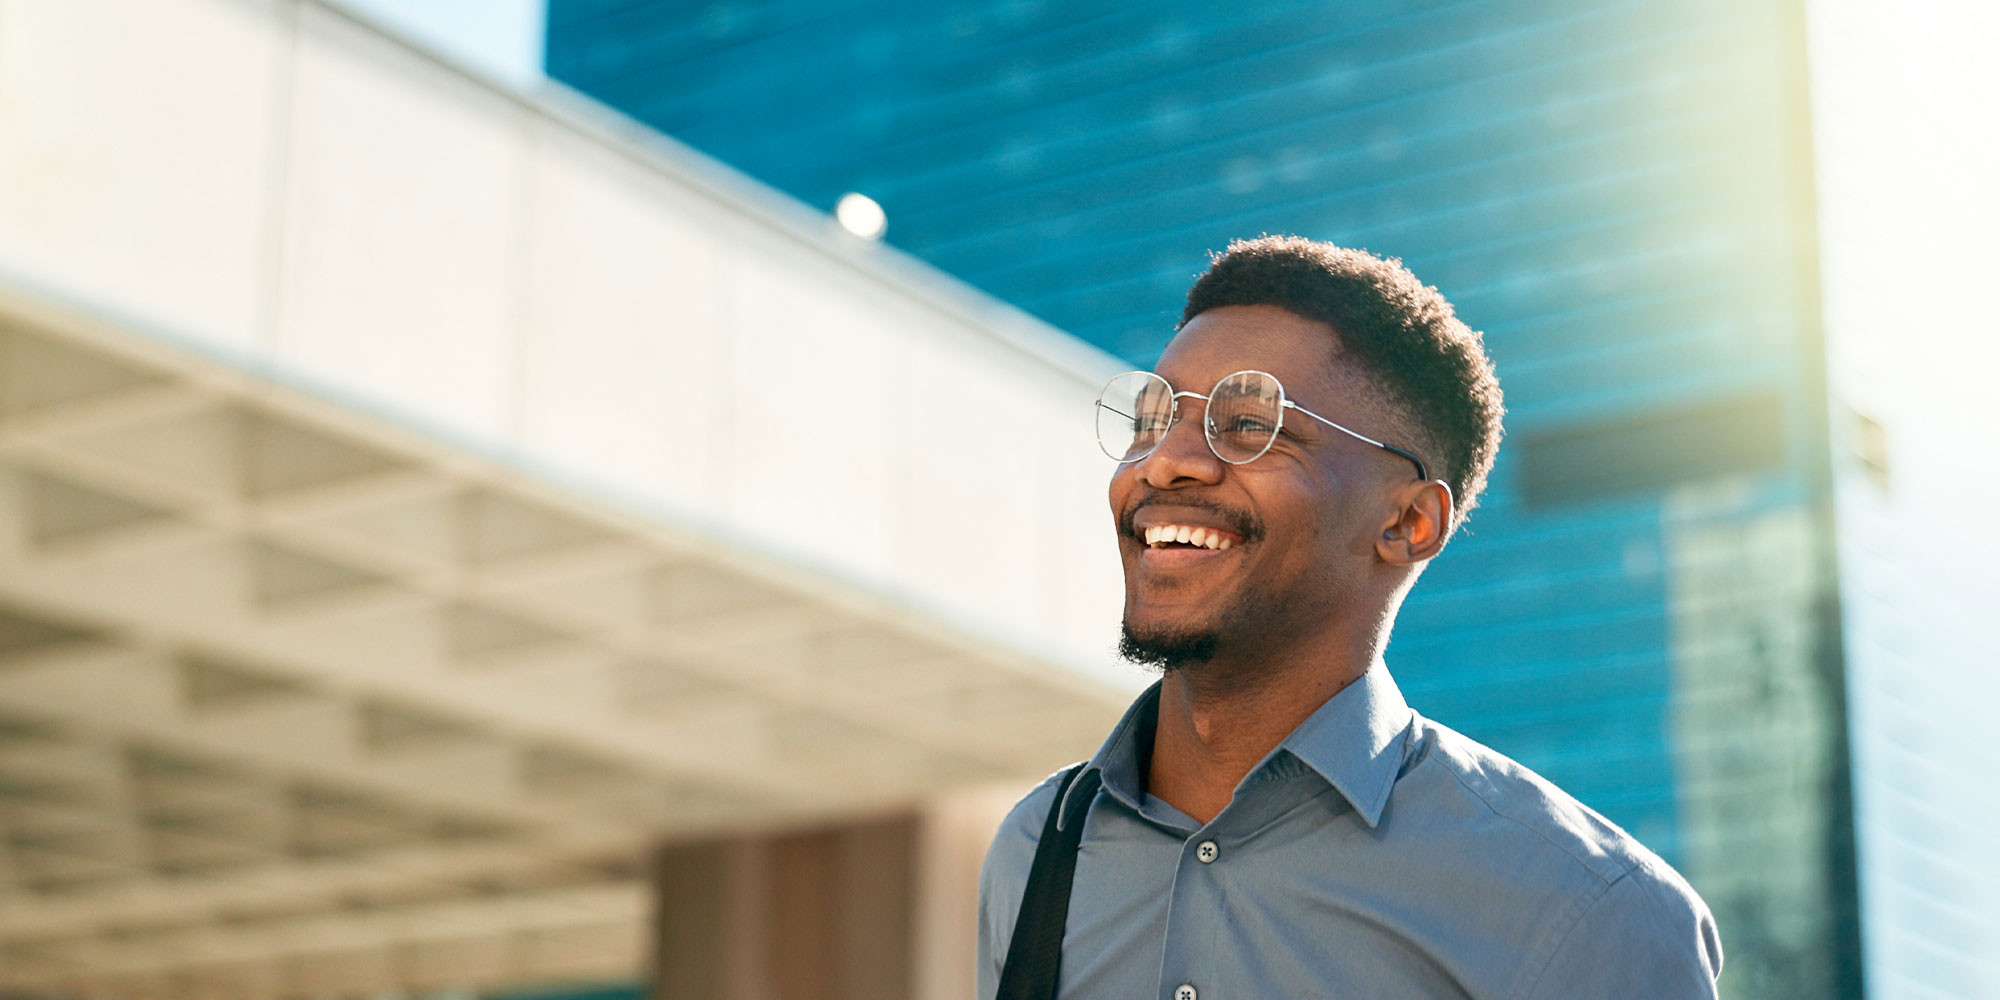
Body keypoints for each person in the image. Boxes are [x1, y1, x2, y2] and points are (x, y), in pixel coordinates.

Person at [976, 236, 1723, 999]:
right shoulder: (1038, 848)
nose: (1164, 461)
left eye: (1248, 425)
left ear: (1407, 522)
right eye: (1154, 419)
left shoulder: (1594, 915)